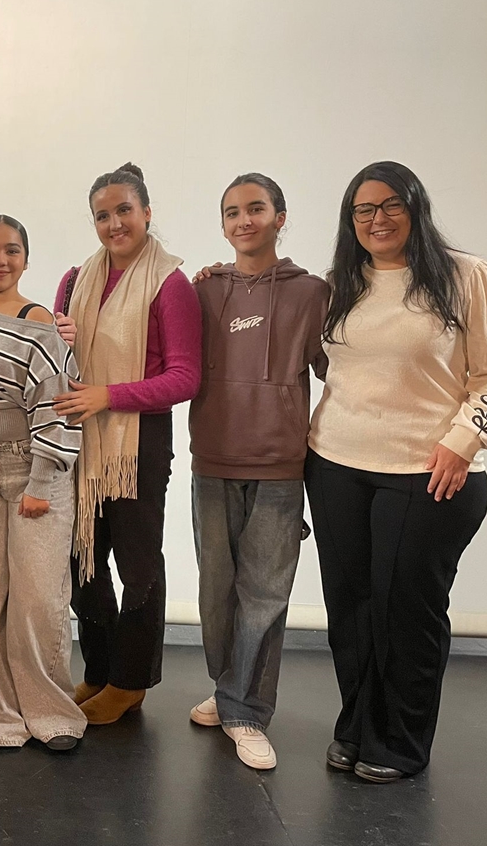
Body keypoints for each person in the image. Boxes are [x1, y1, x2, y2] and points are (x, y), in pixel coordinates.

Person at [304, 161, 487, 782]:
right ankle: (356, 727)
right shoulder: (341, 283)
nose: (377, 219)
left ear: (415, 207)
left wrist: (464, 442)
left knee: (406, 612)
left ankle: (399, 743)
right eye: (363, 210)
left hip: (428, 470)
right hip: (336, 465)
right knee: (351, 610)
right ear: (350, 220)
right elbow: (333, 365)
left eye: (390, 205)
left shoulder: (466, 276)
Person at [186, 173, 329, 770]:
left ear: (280, 217)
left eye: (256, 208)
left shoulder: (312, 293)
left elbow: (340, 372)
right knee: (216, 594)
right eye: (232, 212)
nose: (243, 220)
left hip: (279, 467)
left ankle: (246, 712)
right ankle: (231, 690)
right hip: (212, 461)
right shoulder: (203, 290)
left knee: (264, 597)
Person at [53, 162, 202, 725]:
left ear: (146, 213)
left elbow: (185, 378)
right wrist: (55, 338)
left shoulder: (170, 284)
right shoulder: (75, 280)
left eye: (124, 211)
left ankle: (130, 682)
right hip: (81, 438)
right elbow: (55, 360)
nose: (114, 224)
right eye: (102, 215)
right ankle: (100, 669)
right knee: (82, 561)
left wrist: (108, 396)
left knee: (137, 566)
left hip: (138, 441)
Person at [0, 215, 86, 750]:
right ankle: (2, 709)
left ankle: (52, 711)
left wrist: (40, 482)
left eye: (11, 250)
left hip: (34, 468)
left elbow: (58, 408)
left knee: (37, 599)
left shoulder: (42, 325)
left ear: (26, 260)